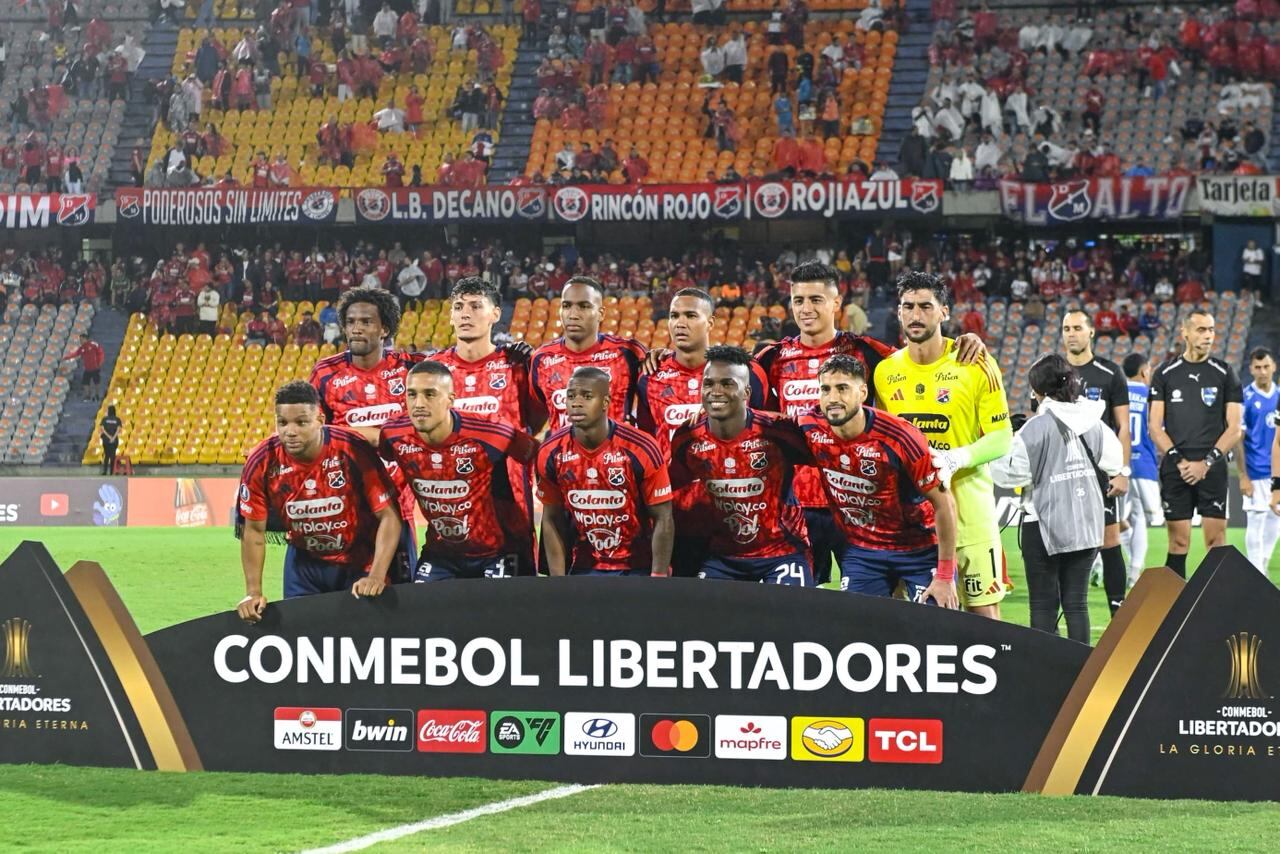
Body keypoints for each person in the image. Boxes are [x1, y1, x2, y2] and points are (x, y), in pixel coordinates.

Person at [874, 272, 1012, 618]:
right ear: (899, 312)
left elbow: (1002, 436)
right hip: (912, 523)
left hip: (971, 518)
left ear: (944, 312)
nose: (916, 315)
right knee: (912, 626)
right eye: (908, 307)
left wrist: (955, 458)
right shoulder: (885, 372)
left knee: (986, 623)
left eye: (925, 306)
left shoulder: (976, 364)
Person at [798, 355, 960, 607]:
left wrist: (945, 575)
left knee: (938, 628)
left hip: (919, 550)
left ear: (862, 392)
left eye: (842, 388)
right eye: (825, 389)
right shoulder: (809, 427)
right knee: (857, 632)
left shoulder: (900, 436)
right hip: (864, 552)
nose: (832, 398)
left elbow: (944, 503)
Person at [235, 381, 402, 622]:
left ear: (320, 420)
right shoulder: (261, 460)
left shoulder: (352, 448)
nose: (290, 431)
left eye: (301, 422)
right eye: (282, 422)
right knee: (303, 639)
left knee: (363, 637)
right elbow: (253, 531)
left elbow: (389, 515)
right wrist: (253, 592)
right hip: (304, 565)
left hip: (359, 559)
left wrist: (376, 575)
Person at [991, 355, 1123, 643]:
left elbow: (1007, 475)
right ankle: (1081, 671)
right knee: (1077, 604)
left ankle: (1046, 671)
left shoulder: (1034, 428)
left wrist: (1006, 439)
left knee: (1043, 605)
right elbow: (1114, 462)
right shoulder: (1095, 422)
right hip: (1087, 521)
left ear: (1037, 390)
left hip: (1042, 523)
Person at [637, 289, 767, 577]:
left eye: (690, 315)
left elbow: (764, 434)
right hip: (675, 517)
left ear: (710, 322)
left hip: (736, 514)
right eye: (674, 316)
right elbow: (648, 445)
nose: (680, 323)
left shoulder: (744, 373)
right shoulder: (650, 376)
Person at [379, 361, 538, 581]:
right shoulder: (393, 435)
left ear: (450, 400)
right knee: (421, 611)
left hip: (496, 552)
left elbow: (537, 455)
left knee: (500, 614)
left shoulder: (490, 431)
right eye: (412, 394)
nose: (418, 403)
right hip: (441, 554)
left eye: (430, 394)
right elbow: (377, 448)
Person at [670, 346, 813, 585]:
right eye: (709, 384)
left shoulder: (779, 430)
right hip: (723, 558)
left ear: (746, 391)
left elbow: (826, 455)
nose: (716, 391)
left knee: (790, 621)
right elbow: (667, 489)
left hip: (782, 553)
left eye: (727, 384)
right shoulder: (688, 437)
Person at [430, 277, 543, 576]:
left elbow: (541, 425)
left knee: (513, 615)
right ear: (451, 317)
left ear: (496, 314)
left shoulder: (517, 365)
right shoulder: (433, 372)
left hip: (510, 517)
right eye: (458, 307)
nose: (465, 313)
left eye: (476, 306)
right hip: (449, 515)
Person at [535, 367, 674, 576]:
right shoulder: (551, 451)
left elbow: (663, 516)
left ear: (605, 403)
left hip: (637, 568)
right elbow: (552, 518)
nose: (576, 402)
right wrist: (558, 581)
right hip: (584, 566)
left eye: (587, 396)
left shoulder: (641, 447)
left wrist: (658, 576)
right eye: (571, 396)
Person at [1149, 310, 1244, 578]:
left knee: (1216, 542)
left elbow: (1235, 428)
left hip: (1212, 467)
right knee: (1178, 542)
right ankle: (1175, 608)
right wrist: (1180, 462)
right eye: (1201, 330)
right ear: (1185, 332)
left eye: (1211, 330)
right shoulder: (1165, 373)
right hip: (1175, 468)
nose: (1208, 336)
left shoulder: (1225, 373)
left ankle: (1219, 608)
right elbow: (1155, 427)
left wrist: (1207, 462)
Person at [1061, 310, 1130, 614]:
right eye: (1066, 328)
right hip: (1061, 474)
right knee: (1065, 546)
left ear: (1091, 332)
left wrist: (1122, 471)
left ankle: (1118, 611)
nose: (1071, 333)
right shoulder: (1051, 372)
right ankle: (1070, 614)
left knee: (1109, 540)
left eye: (1077, 327)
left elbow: (1123, 427)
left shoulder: (1110, 372)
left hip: (1100, 473)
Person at [529, 276, 646, 431]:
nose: (573, 315)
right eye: (566, 305)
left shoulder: (628, 352)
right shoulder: (542, 359)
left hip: (615, 454)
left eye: (584, 306)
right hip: (564, 454)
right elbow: (535, 419)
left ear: (601, 313)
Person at [1119, 353, 1164, 586]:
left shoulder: (1115, 393)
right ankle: (1134, 571)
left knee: (1113, 519)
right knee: (1141, 518)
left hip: (1118, 464)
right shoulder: (1150, 397)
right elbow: (1159, 430)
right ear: (1145, 371)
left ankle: (1099, 564)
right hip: (1144, 465)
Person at [1238, 347, 1279, 573]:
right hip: (1255, 471)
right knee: (1256, 520)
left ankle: (1261, 564)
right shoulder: (1245, 398)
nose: (1263, 372)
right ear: (1251, 369)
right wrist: (1243, 476)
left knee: (1275, 521)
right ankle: (1256, 571)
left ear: (1274, 366)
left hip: (1277, 472)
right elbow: (1238, 439)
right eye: (1258, 367)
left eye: (1266, 366)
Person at [63, 333, 105, 400]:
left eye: (82, 340)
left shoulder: (94, 344)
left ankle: (97, 395)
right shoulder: (82, 348)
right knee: (85, 382)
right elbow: (76, 353)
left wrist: (100, 362)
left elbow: (101, 353)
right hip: (87, 368)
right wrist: (67, 357)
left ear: (86, 339)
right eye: (80, 340)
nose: (80, 341)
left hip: (95, 367)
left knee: (96, 382)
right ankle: (88, 396)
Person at [99, 404, 122, 475]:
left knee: (106, 456)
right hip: (114, 441)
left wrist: (109, 437)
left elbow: (102, 429)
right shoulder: (117, 419)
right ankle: (112, 471)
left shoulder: (104, 419)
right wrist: (113, 438)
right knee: (113, 456)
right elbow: (118, 430)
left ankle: (105, 471)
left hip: (106, 440)